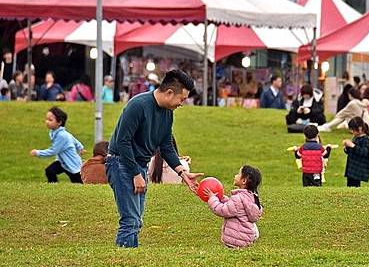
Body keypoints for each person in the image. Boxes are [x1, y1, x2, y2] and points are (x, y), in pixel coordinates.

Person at [106, 69, 202, 248]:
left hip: (139, 165)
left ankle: (129, 259)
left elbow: (166, 146)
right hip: (121, 163)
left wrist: (182, 172)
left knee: (137, 220)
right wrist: (135, 174)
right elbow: (123, 141)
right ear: (169, 92)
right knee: (130, 220)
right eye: (181, 99)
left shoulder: (167, 113)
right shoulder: (138, 105)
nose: (182, 104)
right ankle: (122, 262)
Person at [204, 165, 263, 248]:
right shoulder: (250, 197)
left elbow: (222, 210)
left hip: (237, 240)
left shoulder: (238, 198)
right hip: (245, 237)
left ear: (244, 181)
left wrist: (212, 198)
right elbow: (235, 208)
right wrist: (221, 198)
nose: (235, 176)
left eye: (238, 174)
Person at [30, 107, 84, 183]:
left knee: (78, 183)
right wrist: (80, 147)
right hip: (62, 161)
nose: (47, 122)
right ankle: (53, 187)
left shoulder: (62, 136)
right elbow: (72, 138)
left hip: (72, 163)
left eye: (50, 120)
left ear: (59, 122)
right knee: (50, 171)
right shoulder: (55, 132)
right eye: (46, 119)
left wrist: (38, 152)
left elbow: (53, 151)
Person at [343, 116, 369, 187]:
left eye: (353, 130)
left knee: (355, 186)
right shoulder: (355, 137)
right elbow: (351, 151)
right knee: (349, 186)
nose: (352, 132)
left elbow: (364, 152)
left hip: (358, 168)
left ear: (360, 128)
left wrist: (353, 145)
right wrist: (346, 147)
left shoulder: (365, 139)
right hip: (351, 167)